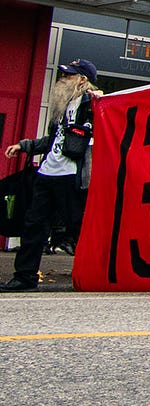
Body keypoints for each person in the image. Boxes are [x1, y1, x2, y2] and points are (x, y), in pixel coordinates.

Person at [1, 59, 102, 291]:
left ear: (82, 80)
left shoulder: (92, 105)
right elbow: (54, 140)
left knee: (79, 227)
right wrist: (25, 146)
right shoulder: (61, 105)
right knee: (33, 225)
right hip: (47, 173)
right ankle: (24, 277)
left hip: (72, 176)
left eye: (68, 76)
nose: (63, 79)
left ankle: (98, 273)